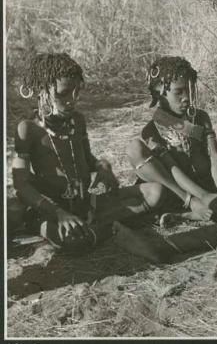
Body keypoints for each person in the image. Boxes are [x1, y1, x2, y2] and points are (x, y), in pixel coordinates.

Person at [12, 53, 169, 255]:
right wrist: (58, 213)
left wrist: (102, 167)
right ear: (41, 91)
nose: (72, 100)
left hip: (87, 204)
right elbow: (21, 186)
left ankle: (97, 226)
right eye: (64, 93)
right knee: (72, 241)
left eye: (76, 93)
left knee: (156, 192)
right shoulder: (28, 129)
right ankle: (109, 228)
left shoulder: (77, 121)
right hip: (50, 211)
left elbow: (88, 159)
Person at [126, 56, 217, 221]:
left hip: (204, 183)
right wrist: (204, 196)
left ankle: (189, 213)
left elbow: (215, 157)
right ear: (159, 94)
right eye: (178, 92)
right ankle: (186, 213)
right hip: (179, 190)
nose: (186, 98)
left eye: (189, 90)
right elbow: (172, 168)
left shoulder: (200, 118)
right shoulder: (152, 129)